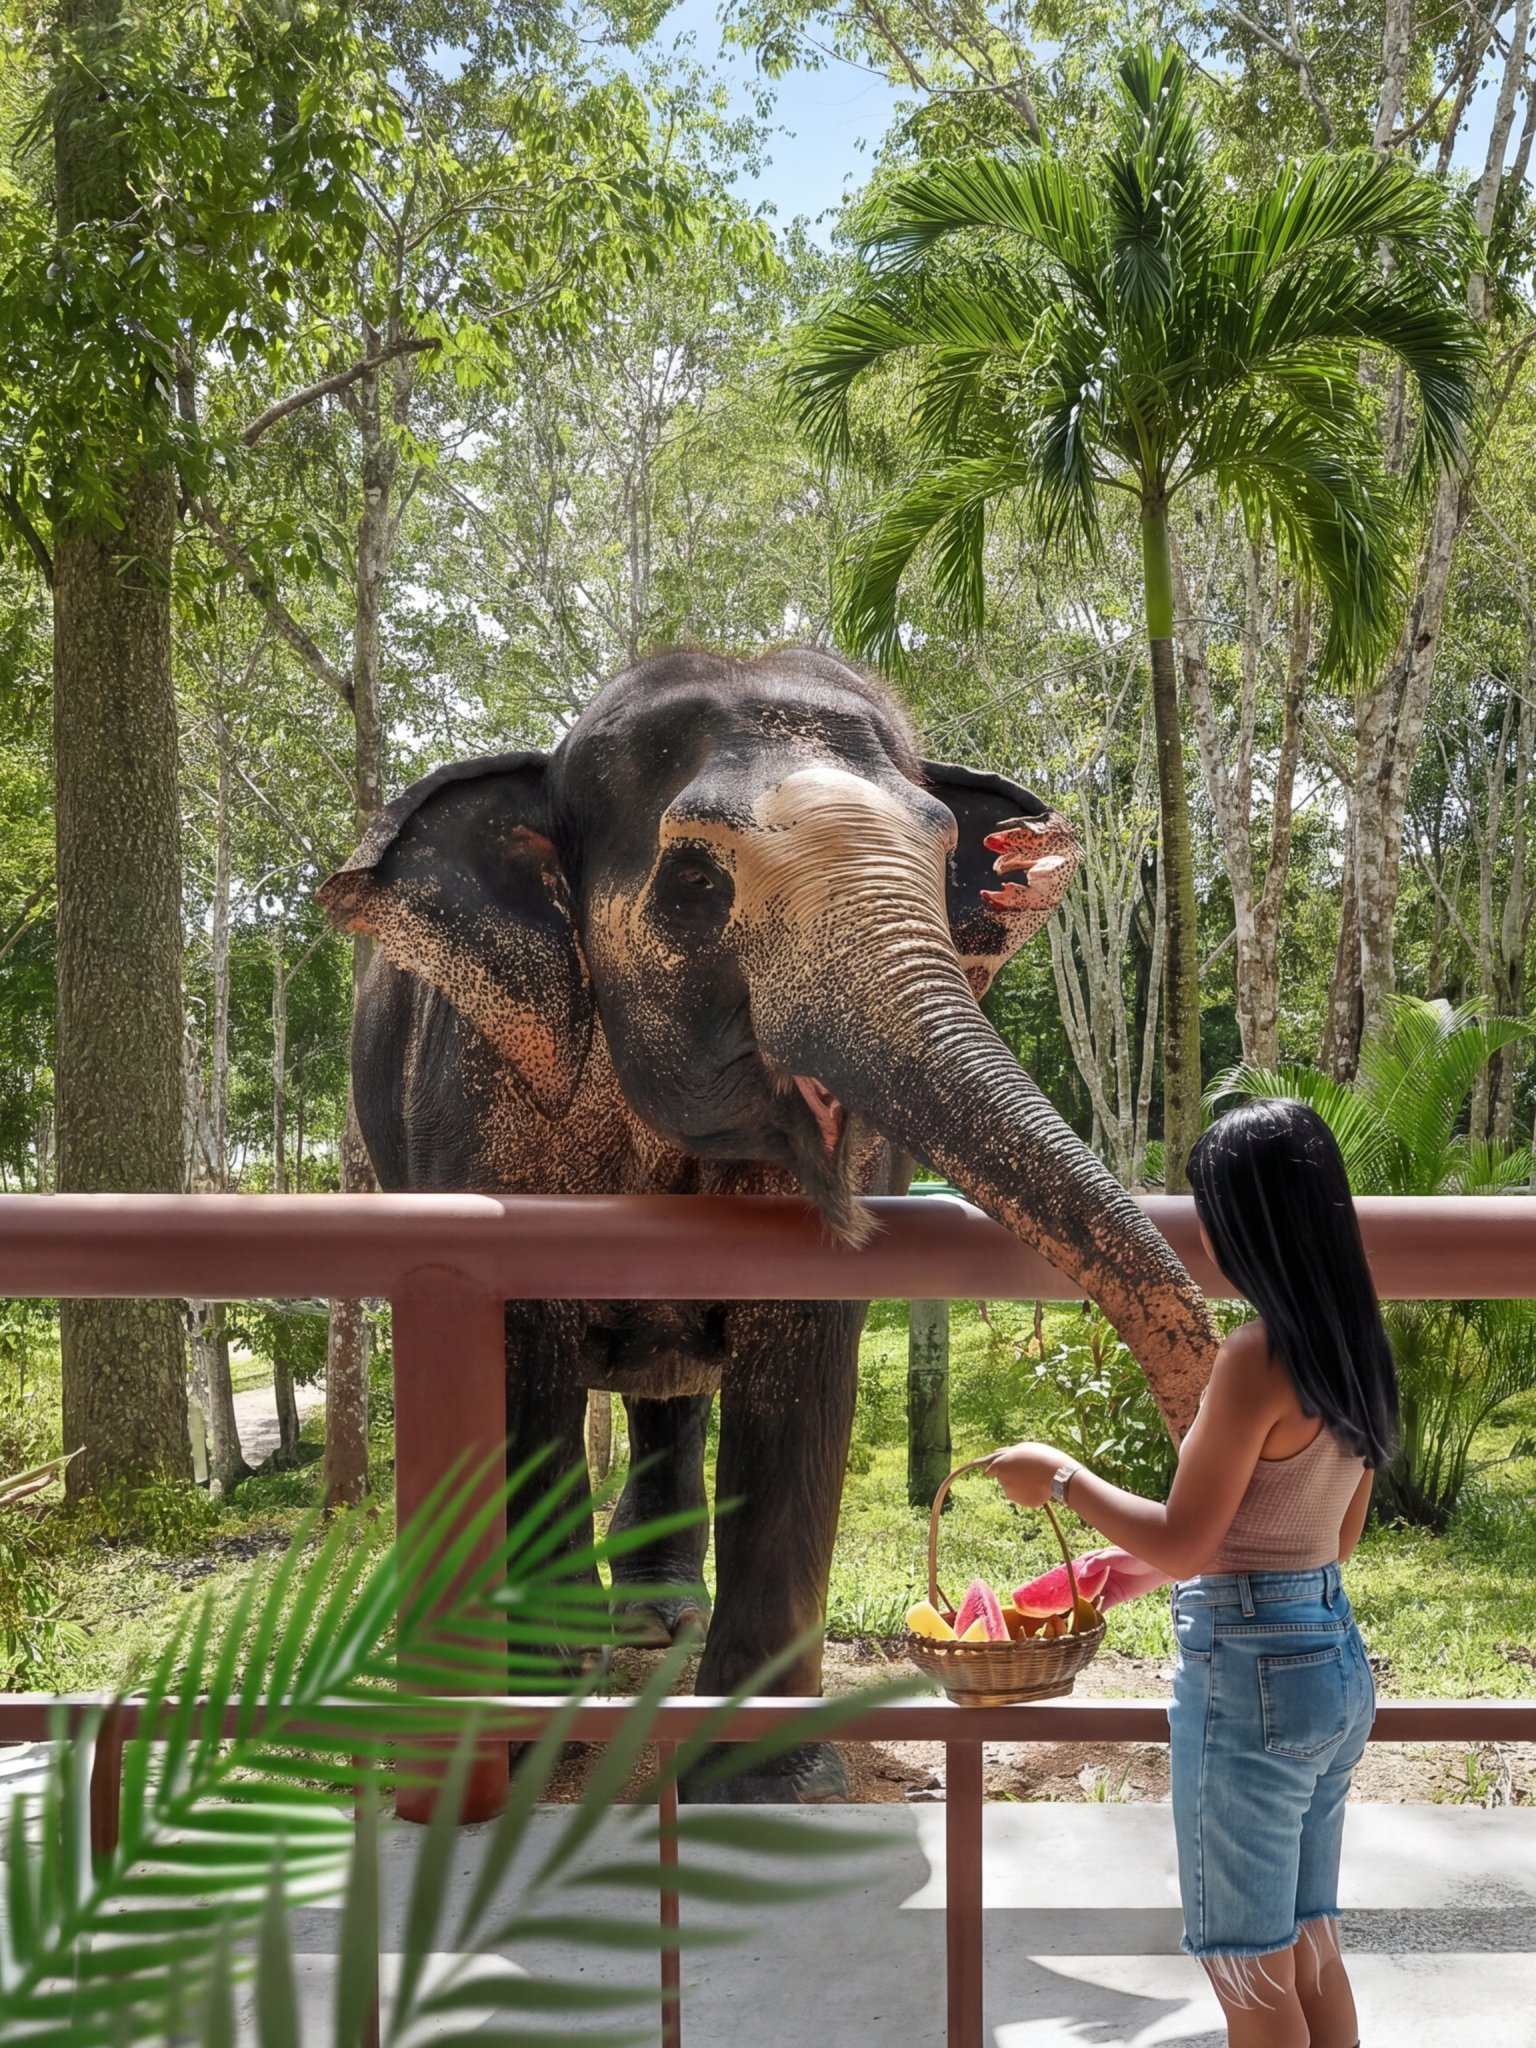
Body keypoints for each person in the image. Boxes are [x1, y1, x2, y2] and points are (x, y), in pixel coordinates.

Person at [989, 1099, 1397, 2048]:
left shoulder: (1256, 1355)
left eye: (1208, 1202)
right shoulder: (1355, 1344)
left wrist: (1058, 1475)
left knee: (1247, 1975)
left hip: (1247, 1680)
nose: (1199, 1224)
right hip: (1331, 1664)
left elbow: (1186, 1539)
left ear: (1254, 1222)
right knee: (1307, 1946)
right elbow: (1323, 1541)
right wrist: (1142, 1567)